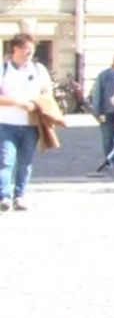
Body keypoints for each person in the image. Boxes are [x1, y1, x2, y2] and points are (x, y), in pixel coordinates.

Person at [0, 32, 53, 208]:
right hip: (6, 123)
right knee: (5, 161)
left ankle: (19, 196)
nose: (29, 52)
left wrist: (36, 103)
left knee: (25, 162)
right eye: (25, 48)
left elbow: (48, 94)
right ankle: (4, 197)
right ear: (14, 48)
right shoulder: (3, 69)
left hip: (30, 124)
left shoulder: (39, 70)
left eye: (31, 49)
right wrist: (17, 102)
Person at [90, 52, 114, 167]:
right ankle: (108, 160)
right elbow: (97, 93)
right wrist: (97, 111)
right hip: (107, 111)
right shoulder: (104, 75)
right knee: (108, 137)